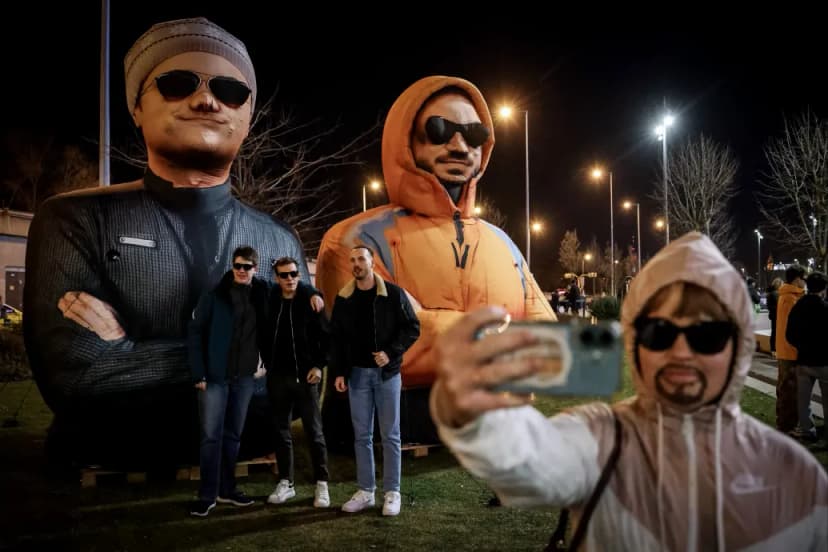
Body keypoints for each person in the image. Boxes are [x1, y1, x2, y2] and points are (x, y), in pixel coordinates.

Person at [22, 17, 312, 470]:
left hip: (246, 444)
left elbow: (300, 374)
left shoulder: (278, 239)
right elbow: (74, 373)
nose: (206, 100)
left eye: (230, 91)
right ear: (137, 106)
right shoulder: (75, 221)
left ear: (247, 118)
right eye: (178, 84)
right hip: (112, 450)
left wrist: (131, 355)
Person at [431, 232, 827, 550]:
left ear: (738, 346)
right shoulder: (602, 437)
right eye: (659, 332)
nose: (681, 352)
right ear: (635, 341)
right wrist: (479, 417)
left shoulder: (794, 475)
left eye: (706, 334)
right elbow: (527, 464)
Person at [316, 76, 554, 445]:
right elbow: (376, 342)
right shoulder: (353, 239)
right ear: (405, 139)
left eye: (474, 134)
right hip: (391, 415)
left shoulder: (501, 242)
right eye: (439, 130)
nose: (459, 146)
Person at [330, 246, 420, 516]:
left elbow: (412, 327)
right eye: (352, 260)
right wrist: (339, 372)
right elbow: (337, 339)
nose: (356, 264)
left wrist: (390, 352)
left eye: (361, 259)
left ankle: (392, 492)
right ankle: (366, 491)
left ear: (372, 262)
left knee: (390, 435)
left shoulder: (393, 294)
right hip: (357, 375)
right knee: (362, 436)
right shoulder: (344, 298)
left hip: (386, 375)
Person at [187, 246, 267, 516]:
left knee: (233, 435)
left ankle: (227, 489)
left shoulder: (261, 292)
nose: (241, 271)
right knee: (211, 437)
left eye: (247, 267)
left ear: (255, 269)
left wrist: (314, 294)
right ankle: (207, 495)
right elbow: (195, 333)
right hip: (214, 377)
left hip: (244, 378)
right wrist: (198, 373)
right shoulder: (214, 294)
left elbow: (292, 286)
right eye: (237, 266)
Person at [265, 257, 331, 509]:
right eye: (284, 275)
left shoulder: (310, 301)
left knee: (314, 431)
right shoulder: (271, 299)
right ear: (277, 278)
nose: (289, 278)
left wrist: (319, 366)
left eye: (293, 273)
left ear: (299, 275)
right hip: (278, 378)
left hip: (306, 377)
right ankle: (286, 482)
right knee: (281, 431)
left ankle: (322, 484)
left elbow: (327, 338)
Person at [785, 271, 828, 443]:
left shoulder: (798, 306)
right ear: (824, 288)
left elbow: (789, 335)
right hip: (824, 360)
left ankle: (807, 430)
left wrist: (801, 346)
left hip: (803, 359)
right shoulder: (824, 307)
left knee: (803, 400)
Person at [775, 265, 806, 434]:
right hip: (790, 351)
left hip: (784, 349)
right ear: (797, 279)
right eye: (803, 279)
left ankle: (784, 424)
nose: (804, 282)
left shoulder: (785, 295)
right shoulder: (791, 298)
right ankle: (787, 426)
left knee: (785, 389)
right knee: (789, 391)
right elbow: (795, 328)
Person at [766, 277, 782, 356]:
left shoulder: (770, 293)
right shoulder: (776, 294)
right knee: (777, 332)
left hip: (773, 315)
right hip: (777, 315)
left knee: (773, 332)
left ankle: (773, 349)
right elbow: (779, 305)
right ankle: (775, 349)